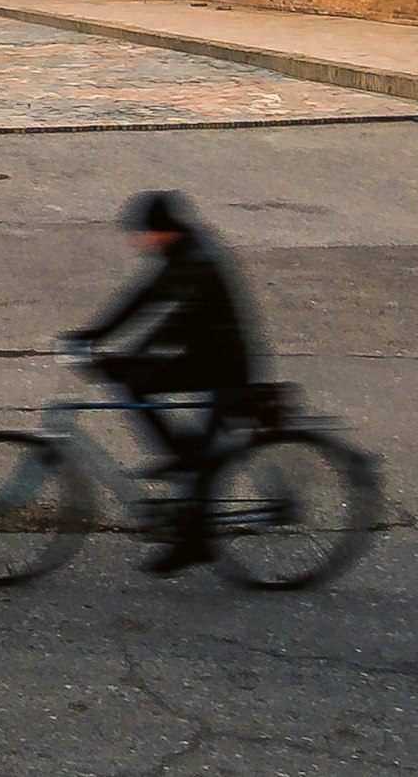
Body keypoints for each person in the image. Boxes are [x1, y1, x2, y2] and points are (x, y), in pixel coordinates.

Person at [64, 189, 262, 573]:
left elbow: (177, 323)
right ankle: (178, 454)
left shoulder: (198, 262)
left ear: (161, 231)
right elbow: (143, 297)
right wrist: (92, 335)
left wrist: (131, 356)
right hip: (201, 354)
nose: (138, 239)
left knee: (204, 464)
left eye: (143, 232)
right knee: (136, 385)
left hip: (226, 367)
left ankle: (195, 541)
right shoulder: (179, 251)